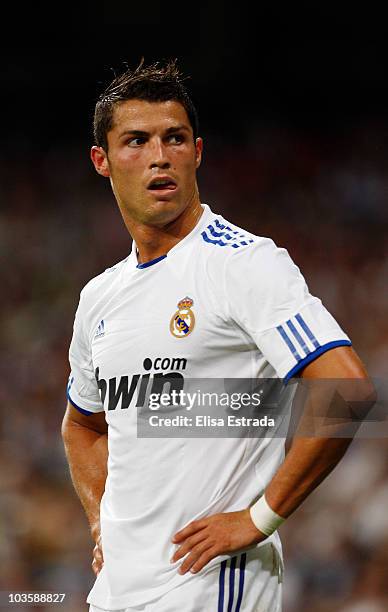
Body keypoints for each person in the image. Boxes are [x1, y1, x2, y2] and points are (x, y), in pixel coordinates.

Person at [61, 59, 373, 612]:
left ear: (197, 152)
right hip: (115, 594)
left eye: (174, 138)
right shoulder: (99, 298)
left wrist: (260, 518)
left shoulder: (244, 264)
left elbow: (346, 389)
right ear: (101, 161)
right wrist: (99, 522)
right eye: (136, 141)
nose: (160, 156)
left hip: (214, 587)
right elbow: (82, 425)